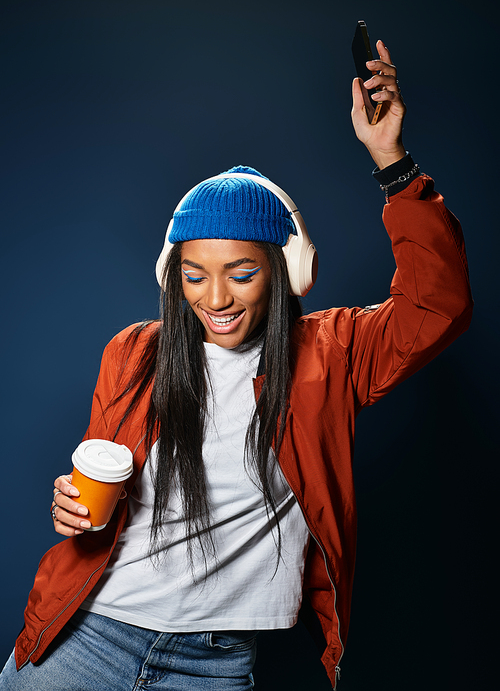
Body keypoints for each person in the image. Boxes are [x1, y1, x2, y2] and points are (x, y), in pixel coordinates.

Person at [0, 41, 472, 690]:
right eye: (194, 276)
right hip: (89, 635)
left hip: (215, 664)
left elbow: (438, 304)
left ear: (286, 273)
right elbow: (102, 478)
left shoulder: (330, 353)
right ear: (173, 276)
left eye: (242, 274)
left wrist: (391, 161)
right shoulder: (133, 351)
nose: (215, 299)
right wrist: (74, 509)